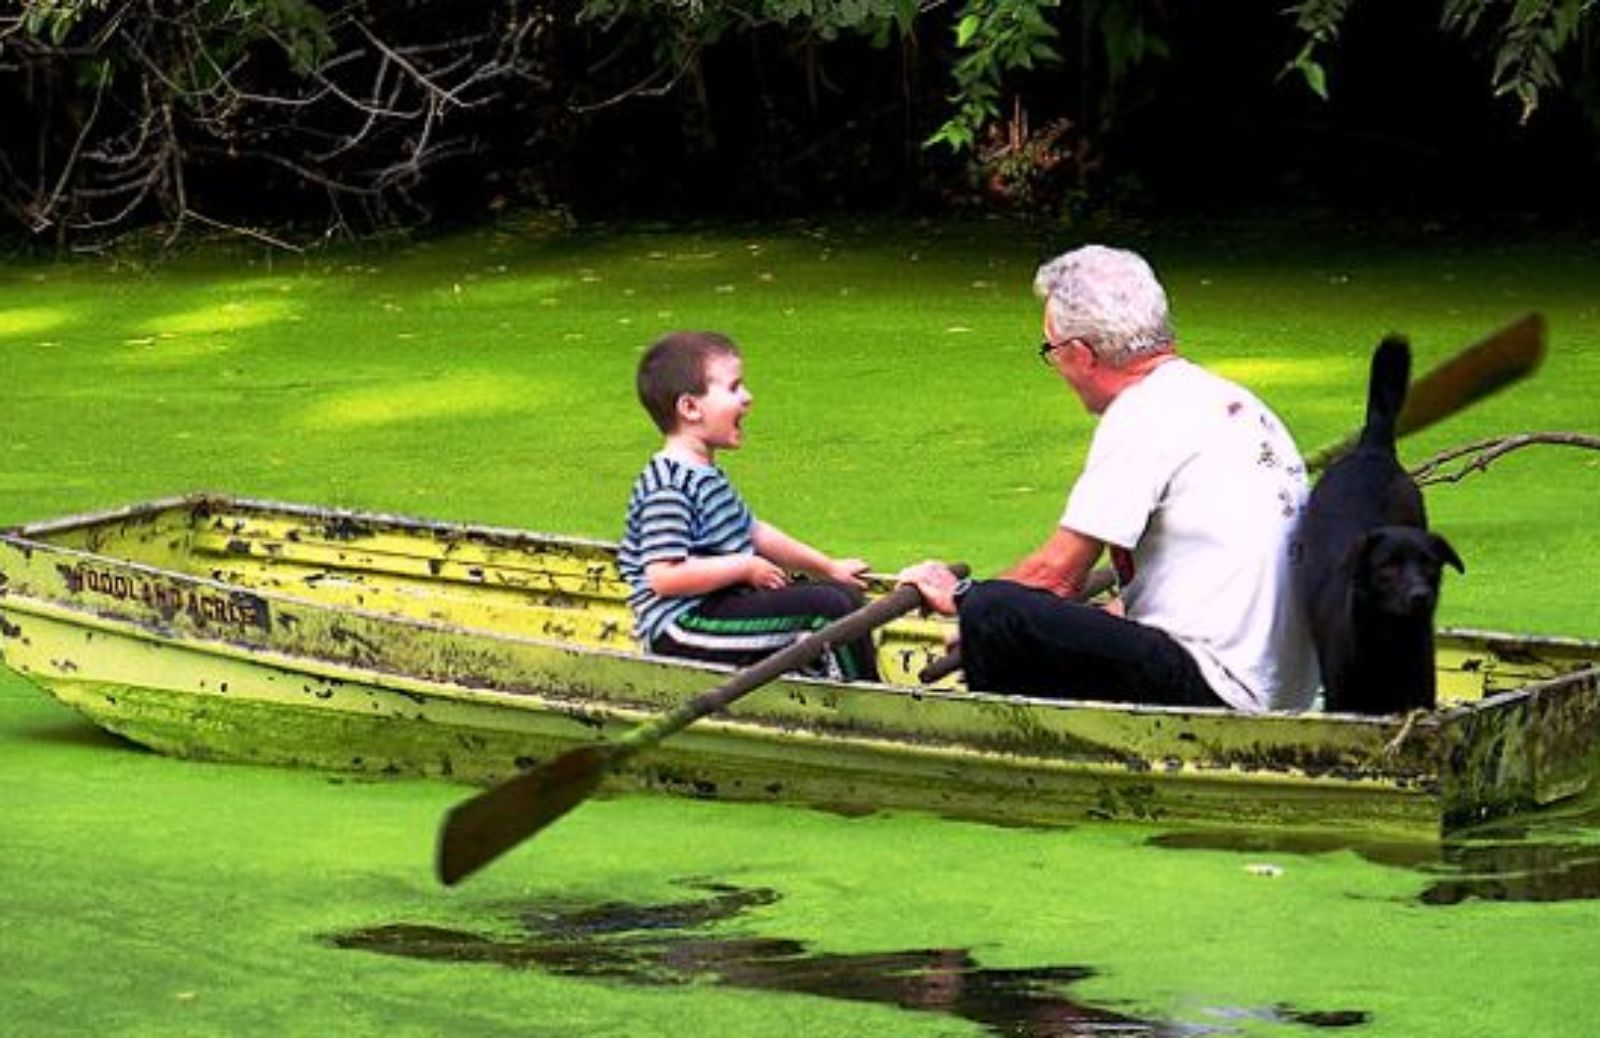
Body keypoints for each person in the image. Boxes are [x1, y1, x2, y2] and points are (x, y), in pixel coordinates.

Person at [898, 245, 1317, 712]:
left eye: (1051, 350)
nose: (1056, 365)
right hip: (1280, 686)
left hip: (1219, 688)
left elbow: (1056, 576)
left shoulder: (1143, 412)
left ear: (1080, 353)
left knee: (996, 612)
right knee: (1057, 613)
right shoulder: (1231, 399)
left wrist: (959, 596)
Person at [619, 330, 880, 681]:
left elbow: (755, 531)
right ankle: (869, 702)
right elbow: (664, 577)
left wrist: (828, 567)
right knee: (829, 609)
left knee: (841, 596)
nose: (748, 398)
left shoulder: (705, 473)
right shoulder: (668, 485)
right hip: (684, 629)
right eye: (733, 388)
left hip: (723, 606)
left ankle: (840, 683)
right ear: (690, 408)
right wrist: (743, 567)